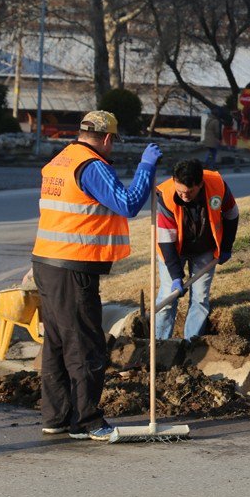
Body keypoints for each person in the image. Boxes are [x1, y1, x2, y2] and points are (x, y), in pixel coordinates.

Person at [31, 110, 161, 441]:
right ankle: (87, 421)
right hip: (73, 269)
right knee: (86, 346)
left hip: (47, 264)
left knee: (58, 344)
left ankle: (57, 416)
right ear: (106, 138)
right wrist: (146, 166)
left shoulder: (60, 161)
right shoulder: (91, 166)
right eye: (113, 141)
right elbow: (127, 203)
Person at [155, 158, 239, 340]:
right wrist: (177, 276)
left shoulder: (217, 186)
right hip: (173, 249)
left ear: (200, 184)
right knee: (167, 299)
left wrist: (226, 247)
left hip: (205, 249)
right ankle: (160, 343)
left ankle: (191, 344)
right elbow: (165, 241)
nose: (184, 196)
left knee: (200, 299)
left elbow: (232, 214)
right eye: (180, 191)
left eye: (189, 192)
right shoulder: (166, 196)